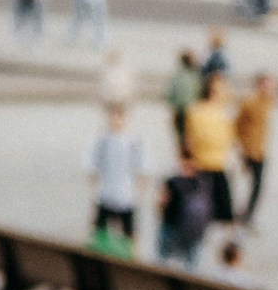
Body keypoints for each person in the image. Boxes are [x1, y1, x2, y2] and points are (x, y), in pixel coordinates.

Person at [183, 69, 238, 237]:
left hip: (205, 165)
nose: (225, 92)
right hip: (210, 165)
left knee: (202, 210)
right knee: (221, 213)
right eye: (222, 89)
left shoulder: (195, 110)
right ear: (214, 92)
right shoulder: (222, 113)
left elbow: (188, 141)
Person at [86, 104, 150, 244]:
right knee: (98, 233)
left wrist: (138, 195)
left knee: (129, 235)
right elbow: (92, 169)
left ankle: (131, 261)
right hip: (105, 195)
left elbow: (143, 171)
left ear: (125, 119)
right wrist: (94, 193)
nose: (115, 121)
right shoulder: (102, 141)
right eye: (112, 117)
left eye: (118, 117)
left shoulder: (133, 142)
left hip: (126, 196)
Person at [237, 73, 278, 230]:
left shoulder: (267, 102)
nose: (271, 89)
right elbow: (238, 124)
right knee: (257, 185)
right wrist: (242, 147)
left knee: (256, 185)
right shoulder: (250, 102)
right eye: (267, 85)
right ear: (259, 85)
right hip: (251, 150)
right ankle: (247, 215)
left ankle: (247, 213)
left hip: (261, 150)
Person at [157, 151, 213, 266]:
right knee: (190, 266)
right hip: (194, 231)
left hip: (170, 225)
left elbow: (162, 202)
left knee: (163, 261)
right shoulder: (203, 183)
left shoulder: (172, 181)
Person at [166, 48, 203, 156]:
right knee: (193, 141)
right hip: (193, 113)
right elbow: (200, 95)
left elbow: (170, 98)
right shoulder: (196, 77)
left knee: (181, 141)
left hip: (180, 112)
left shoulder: (177, 77)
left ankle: (184, 165)